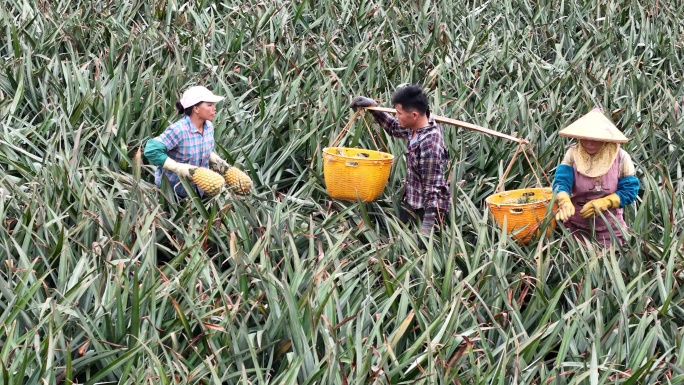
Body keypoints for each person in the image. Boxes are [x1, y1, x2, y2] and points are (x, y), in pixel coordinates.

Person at [350, 85, 451, 235]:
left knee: (420, 251)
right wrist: (373, 107)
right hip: (412, 200)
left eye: (399, 113)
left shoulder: (430, 144)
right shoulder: (416, 125)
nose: (396, 116)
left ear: (414, 115)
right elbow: (393, 127)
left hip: (428, 210)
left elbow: (432, 188)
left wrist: (428, 225)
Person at [552, 108, 640, 247]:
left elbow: (630, 190)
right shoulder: (572, 154)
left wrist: (606, 202)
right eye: (585, 139)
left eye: (595, 140)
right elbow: (561, 181)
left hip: (609, 227)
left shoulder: (621, 157)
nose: (589, 144)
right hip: (576, 225)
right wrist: (563, 199)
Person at [144, 85, 232, 198]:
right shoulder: (179, 130)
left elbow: (203, 150)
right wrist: (177, 167)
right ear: (196, 109)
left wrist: (219, 163)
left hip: (198, 192)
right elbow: (151, 149)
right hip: (172, 195)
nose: (214, 108)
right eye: (209, 105)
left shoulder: (209, 127)